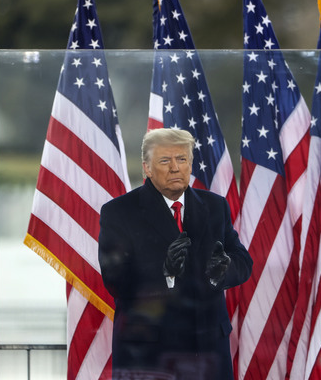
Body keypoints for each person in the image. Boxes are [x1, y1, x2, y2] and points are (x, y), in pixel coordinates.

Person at [98, 128, 252, 380]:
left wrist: (223, 270)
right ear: (147, 168)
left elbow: (243, 261)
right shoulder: (119, 212)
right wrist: (164, 271)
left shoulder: (215, 206)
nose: (175, 168)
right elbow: (115, 280)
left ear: (190, 164)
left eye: (181, 159)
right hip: (149, 355)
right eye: (164, 161)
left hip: (209, 352)